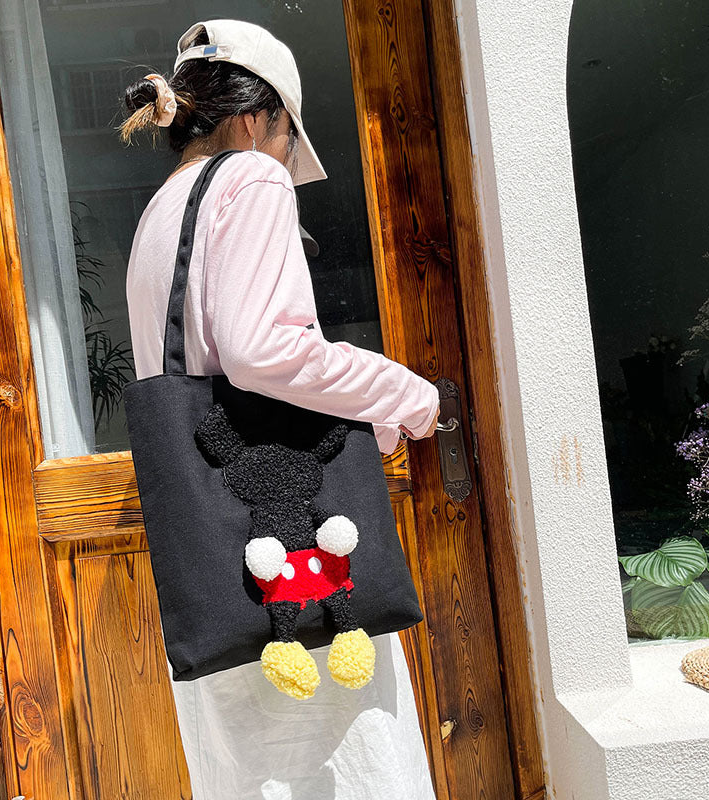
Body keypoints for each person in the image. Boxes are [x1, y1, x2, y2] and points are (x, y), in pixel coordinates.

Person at [120, 19, 440, 800]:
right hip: (299, 580)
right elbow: (264, 352)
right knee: (350, 767)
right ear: (262, 116)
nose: (284, 161)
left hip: (221, 577)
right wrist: (407, 394)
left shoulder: (162, 209)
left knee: (251, 776)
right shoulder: (252, 179)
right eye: (289, 139)